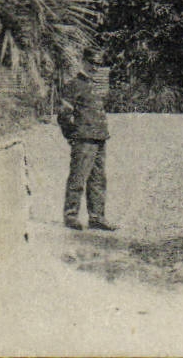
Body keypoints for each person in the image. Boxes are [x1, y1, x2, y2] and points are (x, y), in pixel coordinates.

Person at [58, 50, 116, 231]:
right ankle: (71, 216)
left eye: (98, 64)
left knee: (98, 179)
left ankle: (97, 217)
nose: (95, 67)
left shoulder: (93, 85)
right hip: (84, 139)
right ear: (82, 62)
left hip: (99, 138)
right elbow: (63, 115)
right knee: (78, 177)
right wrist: (72, 135)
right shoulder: (74, 85)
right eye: (91, 62)